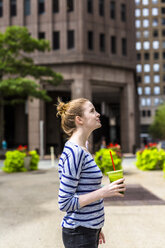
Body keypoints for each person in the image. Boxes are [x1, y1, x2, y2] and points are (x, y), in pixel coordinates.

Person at [56, 97, 126, 248]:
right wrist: (103, 192)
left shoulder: (83, 148)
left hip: (87, 231)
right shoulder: (75, 152)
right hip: (79, 233)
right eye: (92, 110)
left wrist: (95, 226)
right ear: (79, 119)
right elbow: (64, 202)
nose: (98, 114)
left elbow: (84, 190)